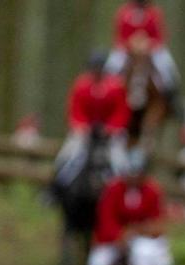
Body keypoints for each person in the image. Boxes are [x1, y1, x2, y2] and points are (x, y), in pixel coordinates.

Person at [82, 148, 182, 265]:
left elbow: (157, 221)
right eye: (131, 174)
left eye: (138, 174)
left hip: (143, 240)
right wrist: (119, 236)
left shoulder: (152, 191)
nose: (134, 178)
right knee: (97, 264)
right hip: (114, 238)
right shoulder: (113, 189)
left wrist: (138, 232)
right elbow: (105, 218)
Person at [51, 51, 131, 191]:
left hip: (110, 133)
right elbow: (75, 109)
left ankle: (123, 187)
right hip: (85, 131)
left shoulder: (116, 87)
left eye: (99, 68)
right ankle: (57, 186)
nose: (96, 72)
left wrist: (111, 128)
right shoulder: (81, 85)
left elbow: (121, 111)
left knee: (118, 157)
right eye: (94, 68)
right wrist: (82, 126)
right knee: (70, 152)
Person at [104, 0, 181, 96]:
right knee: (112, 66)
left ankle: (171, 94)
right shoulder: (124, 12)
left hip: (151, 49)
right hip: (127, 49)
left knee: (165, 64)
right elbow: (118, 36)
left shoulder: (154, 12)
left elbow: (160, 36)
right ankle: (108, 90)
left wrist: (148, 44)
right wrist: (130, 45)